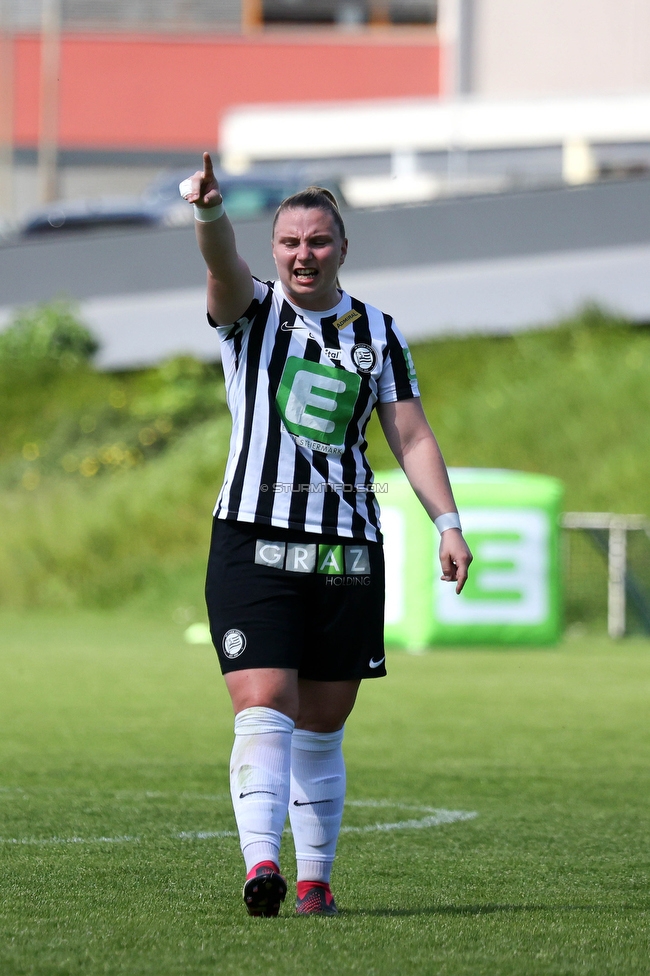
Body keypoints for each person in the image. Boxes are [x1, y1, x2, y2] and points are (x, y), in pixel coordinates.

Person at [181, 153, 472, 918]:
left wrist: (447, 522)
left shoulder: (378, 330)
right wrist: (211, 215)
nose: (302, 254)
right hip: (252, 538)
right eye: (289, 243)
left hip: (344, 548)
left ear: (342, 247)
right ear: (273, 250)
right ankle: (262, 866)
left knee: (323, 720)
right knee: (264, 700)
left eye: (317, 241)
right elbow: (223, 266)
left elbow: (410, 435)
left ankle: (315, 882)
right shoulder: (253, 311)